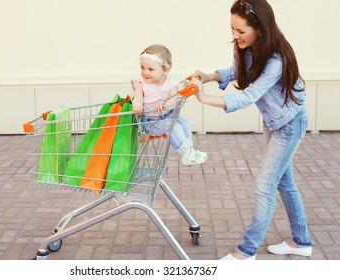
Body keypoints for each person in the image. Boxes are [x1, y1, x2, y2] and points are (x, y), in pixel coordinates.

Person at [191, 0, 312, 260]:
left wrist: (204, 99)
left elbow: (249, 96)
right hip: (275, 121)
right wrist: (208, 76)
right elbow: (236, 70)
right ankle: (302, 242)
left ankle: (247, 252)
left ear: (260, 29)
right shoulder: (249, 48)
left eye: (240, 31)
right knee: (284, 182)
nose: (234, 36)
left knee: (264, 185)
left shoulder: (276, 59)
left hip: (290, 124)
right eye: (232, 29)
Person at [132, 44, 207, 165]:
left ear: (165, 70)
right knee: (173, 127)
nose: (145, 72)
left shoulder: (171, 83)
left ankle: (188, 151)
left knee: (184, 123)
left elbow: (173, 100)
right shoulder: (141, 84)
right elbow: (138, 98)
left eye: (150, 69)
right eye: (142, 67)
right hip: (151, 122)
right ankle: (185, 152)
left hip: (167, 115)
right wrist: (137, 105)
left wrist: (165, 104)